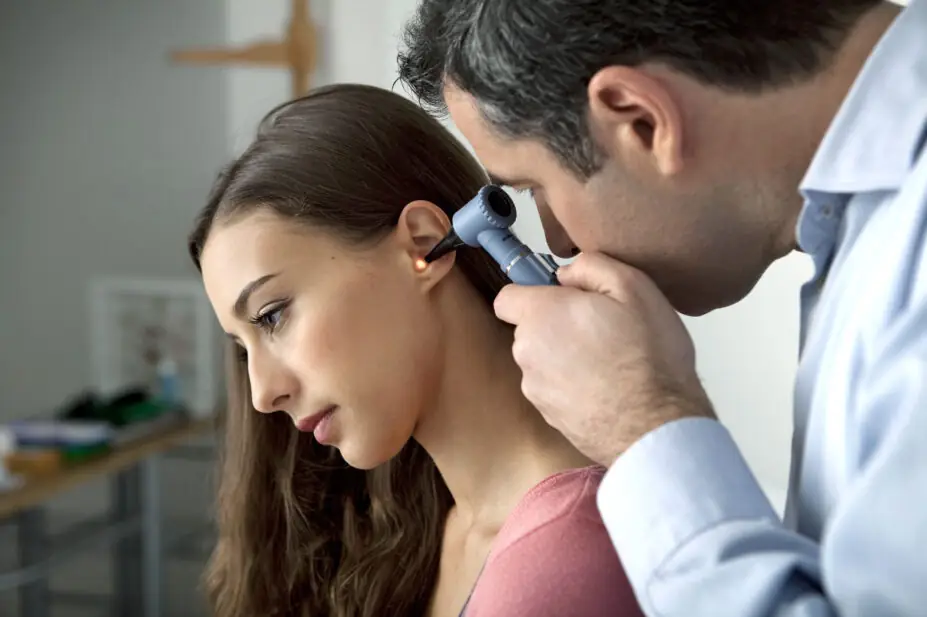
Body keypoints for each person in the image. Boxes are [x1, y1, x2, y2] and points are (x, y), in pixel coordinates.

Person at [397, 0, 927, 616]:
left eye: (534, 188)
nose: (561, 242)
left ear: (642, 121)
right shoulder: (869, 236)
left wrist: (644, 426)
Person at [188, 83, 643, 617]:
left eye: (272, 315)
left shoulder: (561, 563)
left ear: (424, 243)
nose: (263, 394)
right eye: (243, 350)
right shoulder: (426, 529)